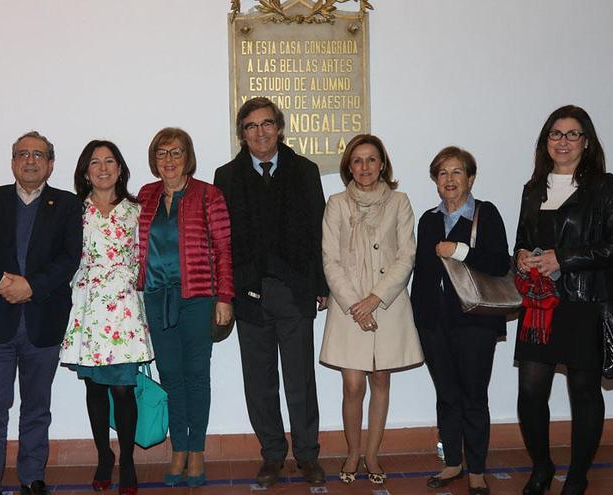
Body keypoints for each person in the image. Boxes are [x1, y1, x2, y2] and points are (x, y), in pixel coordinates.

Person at [514, 106, 613, 495]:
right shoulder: (533, 189)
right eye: (555, 134)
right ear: (545, 141)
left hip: (587, 303)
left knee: (584, 391)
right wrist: (520, 256)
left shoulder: (607, 187)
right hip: (539, 305)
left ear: (587, 142)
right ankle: (542, 467)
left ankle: (578, 474)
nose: (563, 142)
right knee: (530, 392)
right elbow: (521, 239)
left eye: (572, 134)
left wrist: (563, 259)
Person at [214, 97, 329, 487]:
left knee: (300, 379)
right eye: (250, 126)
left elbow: (318, 230)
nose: (260, 132)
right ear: (241, 134)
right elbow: (222, 240)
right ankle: (272, 455)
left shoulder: (305, 171)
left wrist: (321, 285)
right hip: (249, 291)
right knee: (259, 381)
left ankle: (308, 455)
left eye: (266, 124)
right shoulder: (226, 177)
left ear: (279, 128)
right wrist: (226, 291)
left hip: (294, 290)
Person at [0, 131, 83, 495]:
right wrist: (1, 281)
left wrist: (32, 286)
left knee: (37, 407)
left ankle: (32, 478)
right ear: (13, 161)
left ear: (50, 163)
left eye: (39, 155)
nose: (30, 160)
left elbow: (69, 256)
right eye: (23, 154)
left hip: (42, 321)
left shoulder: (66, 204)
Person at [320, 134, 423, 486]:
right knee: (352, 385)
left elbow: (406, 255)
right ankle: (352, 451)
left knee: (381, 378)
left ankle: (373, 454)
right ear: (349, 166)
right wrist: (355, 305)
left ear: (383, 165)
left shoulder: (400, 201)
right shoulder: (336, 203)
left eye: (372, 160)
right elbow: (330, 260)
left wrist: (375, 299)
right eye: (358, 160)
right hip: (349, 306)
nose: (365, 167)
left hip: (387, 303)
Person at [136, 127, 233, 488]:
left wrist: (225, 297)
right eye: (162, 153)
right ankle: (178, 448)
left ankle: (197, 451)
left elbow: (224, 249)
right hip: (157, 298)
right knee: (170, 377)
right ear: (154, 159)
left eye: (176, 152)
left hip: (198, 297)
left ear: (187, 157)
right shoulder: (145, 196)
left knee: (196, 376)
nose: (169, 160)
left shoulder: (209, 195)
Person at [410, 146, 510, 495]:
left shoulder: (487, 214)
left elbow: (500, 264)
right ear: (435, 181)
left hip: (475, 322)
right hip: (434, 323)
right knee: (446, 394)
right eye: (442, 173)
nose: (449, 179)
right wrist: (419, 321)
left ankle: (478, 469)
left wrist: (459, 251)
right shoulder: (428, 220)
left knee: (474, 396)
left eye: (457, 172)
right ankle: (453, 462)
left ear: (470, 178)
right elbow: (421, 275)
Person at [59, 140, 153, 495]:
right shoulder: (73, 210)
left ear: (120, 168)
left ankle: (126, 459)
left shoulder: (137, 210)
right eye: (94, 162)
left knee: (123, 388)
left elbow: (147, 256)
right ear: (85, 171)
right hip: (88, 307)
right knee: (95, 387)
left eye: (109, 161)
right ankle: (103, 456)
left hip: (124, 308)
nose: (102, 168)